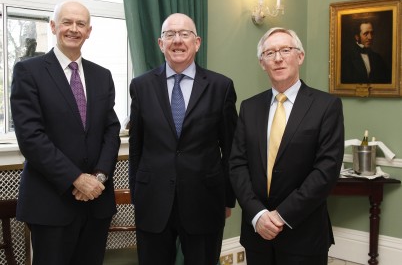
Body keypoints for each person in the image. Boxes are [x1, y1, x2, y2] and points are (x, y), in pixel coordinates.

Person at [10, 0, 121, 265]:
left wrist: (99, 177)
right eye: (67, 22)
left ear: (89, 30)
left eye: (80, 24)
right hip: (50, 203)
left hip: (96, 201)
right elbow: (30, 137)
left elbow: (111, 130)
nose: (73, 29)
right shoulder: (29, 71)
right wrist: (76, 179)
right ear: (53, 26)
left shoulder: (102, 75)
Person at [129, 13, 238, 265]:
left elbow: (230, 147)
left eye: (184, 34)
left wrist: (227, 198)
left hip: (205, 200)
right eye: (170, 35)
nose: (177, 41)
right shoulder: (141, 86)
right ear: (160, 43)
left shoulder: (220, 87)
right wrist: (138, 195)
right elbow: (137, 146)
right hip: (153, 200)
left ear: (197, 42)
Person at [229, 27, 344, 265]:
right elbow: (237, 165)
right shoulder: (249, 108)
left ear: (300, 56)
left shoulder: (326, 106)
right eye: (270, 53)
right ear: (262, 63)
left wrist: (281, 216)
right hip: (257, 233)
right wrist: (259, 215)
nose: (278, 58)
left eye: (285, 50)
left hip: (304, 234)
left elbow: (326, 171)